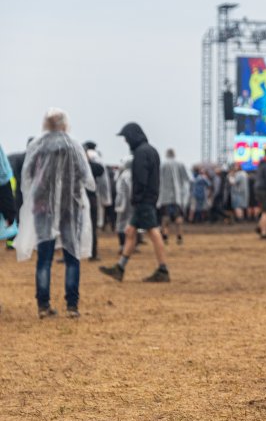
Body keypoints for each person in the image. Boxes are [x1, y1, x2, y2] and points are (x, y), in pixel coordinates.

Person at [15, 108, 95, 318]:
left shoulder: (38, 146)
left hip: (43, 207)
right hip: (71, 206)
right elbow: (87, 177)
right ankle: (72, 306)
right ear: (64, 123)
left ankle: (43, 305)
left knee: (44, 256)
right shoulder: (73, 145)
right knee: (71, 254)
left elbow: (28, 174)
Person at [98, 122, 170, 283]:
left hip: (143, 200)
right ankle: (120, 268)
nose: (125, 141)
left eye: (126, 137)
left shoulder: (140, 153)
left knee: (152, 231)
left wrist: (136, 198)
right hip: (149, 198)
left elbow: (140, 179)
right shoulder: (151, 151)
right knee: (130, 232)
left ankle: (163, 269)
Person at [158, 148, 190, 245]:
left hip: (165, 197)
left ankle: (165, 237)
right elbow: (187, 179)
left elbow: (158, 179)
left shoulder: (162, 165)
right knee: (178, 218)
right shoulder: (180, 164)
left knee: (165, 218)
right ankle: (179, 237)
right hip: (178, 197)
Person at [114, 155, 134, 253]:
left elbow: (120, 192)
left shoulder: (124, 175)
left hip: (123, 204)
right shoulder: (132, 175)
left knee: (121, 225)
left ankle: (123, 245)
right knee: (130, 225)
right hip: (130, 204)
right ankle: (129, 246)